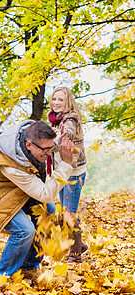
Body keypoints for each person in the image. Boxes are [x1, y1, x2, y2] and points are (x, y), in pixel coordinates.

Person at [0, 120, 74, 282]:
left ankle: (29, 266)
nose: (49, 153)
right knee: (24, 230)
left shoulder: (27, 137)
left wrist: (59, 142)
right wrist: (66, 164)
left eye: (51, 148)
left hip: (9, 184)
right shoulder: (11, 163)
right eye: (45, 150)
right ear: (29, 145)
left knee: (49, 211)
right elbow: (45, 194)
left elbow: (42, 143)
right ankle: (2, 277)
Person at [47, 86, 87, 263]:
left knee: (69, 214)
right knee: (64, 213)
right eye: (54, 99)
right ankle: (79, 244)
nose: (56, 103)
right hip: (63, 171)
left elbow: (68, 133)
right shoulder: (55, 120)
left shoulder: (70, 119)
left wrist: (64, 135)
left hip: (73, 173)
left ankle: (75, 255)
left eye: (60, 100)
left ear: (68, 102)